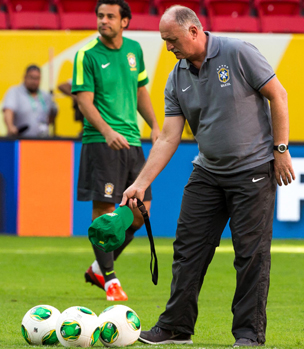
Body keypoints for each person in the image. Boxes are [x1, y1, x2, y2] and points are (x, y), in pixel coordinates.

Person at [121, 5, 295, 347]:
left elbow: (279, 95)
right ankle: (176, 326)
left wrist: (281, 149)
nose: (168, 47)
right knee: (187, 249)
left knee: (250, 256)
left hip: (253, 172)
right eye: (164, 41)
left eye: (172, 40)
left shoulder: (239, 52)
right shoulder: (177, 77)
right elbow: (170, 137)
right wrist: (141, 183)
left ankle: (248, 335)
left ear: (193, 32)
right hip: (208, 172)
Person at [72, 0, 160, 301]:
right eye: (100, 15)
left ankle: (99, 267)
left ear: (125, 21)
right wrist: (107, 131)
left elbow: (140, 91)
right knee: (105, 211)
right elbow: (84, 100)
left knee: (139, 214)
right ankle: (109, 279)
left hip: (133, 142)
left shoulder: (134, 50)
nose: (103, 21)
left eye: (110, 16)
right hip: (101, 142)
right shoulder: (86, 55)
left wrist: (155, 126)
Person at [3, 65, 57, 137]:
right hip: (21, 139)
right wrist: (10, 127)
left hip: (42, 140)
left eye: (37, 78)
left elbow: (52, 113)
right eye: (31, 77)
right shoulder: (15, 92)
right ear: (25, 77)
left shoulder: (45, 96)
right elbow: (8, 111)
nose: (34, 81)